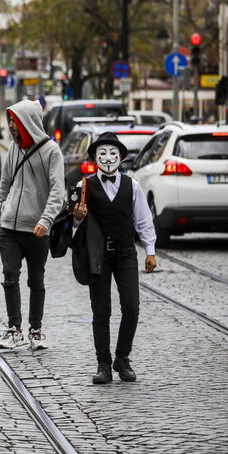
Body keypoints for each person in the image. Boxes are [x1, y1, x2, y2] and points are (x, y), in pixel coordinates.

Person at [72, 132, 156, 384]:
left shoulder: (133, 186)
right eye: (102, 154)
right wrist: (77, 216)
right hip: (97, 255)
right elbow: (73, 229)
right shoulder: (83, 186)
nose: (107, 158)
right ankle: (104, 363)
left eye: (112, 153)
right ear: (95, 158)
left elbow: (143, 219)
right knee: (101, 311)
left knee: (131, 307)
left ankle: (122, 357)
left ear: (120, 157)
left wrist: (150, 250)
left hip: (125, 254)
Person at [0, 100, 65, 351]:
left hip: (36, 229)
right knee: (10, 277)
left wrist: (46, 220)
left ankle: (36, 330)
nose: (11, 125)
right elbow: (5, 184)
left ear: (28, 121)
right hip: (10, 228)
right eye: (10, 120)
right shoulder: (14, 147)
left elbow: (58, 191)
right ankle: (14, 329)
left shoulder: (52, 151)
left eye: (15, 121)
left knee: (37, 280)